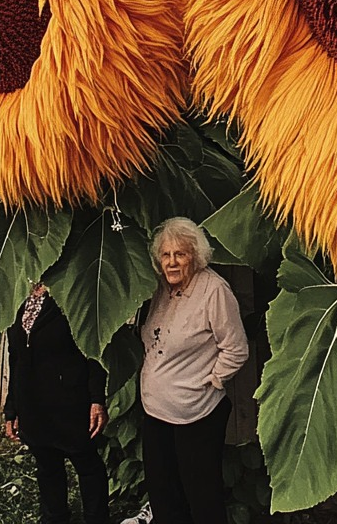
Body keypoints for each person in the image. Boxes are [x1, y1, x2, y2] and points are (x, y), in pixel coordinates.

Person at [140, 217, 249, 524]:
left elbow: (236, 348)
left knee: (202, 497)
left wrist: (210, 381)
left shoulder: (213, 291)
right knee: (163, 494)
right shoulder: (162, 288)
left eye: (180, 254)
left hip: (196, 415)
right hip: (155, 411)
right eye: (165, 255)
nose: (171, 262)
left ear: (196, 257)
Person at [5, 281, 109, 524]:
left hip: (69, 402)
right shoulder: (18, 294)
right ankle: (55, 518)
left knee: (87, 464)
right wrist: (12, 408)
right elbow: (15, 357)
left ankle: (97, 519)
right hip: (32, 402)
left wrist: (96, 399)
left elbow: (94, 350)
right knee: (47, 466)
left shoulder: (69, 289)